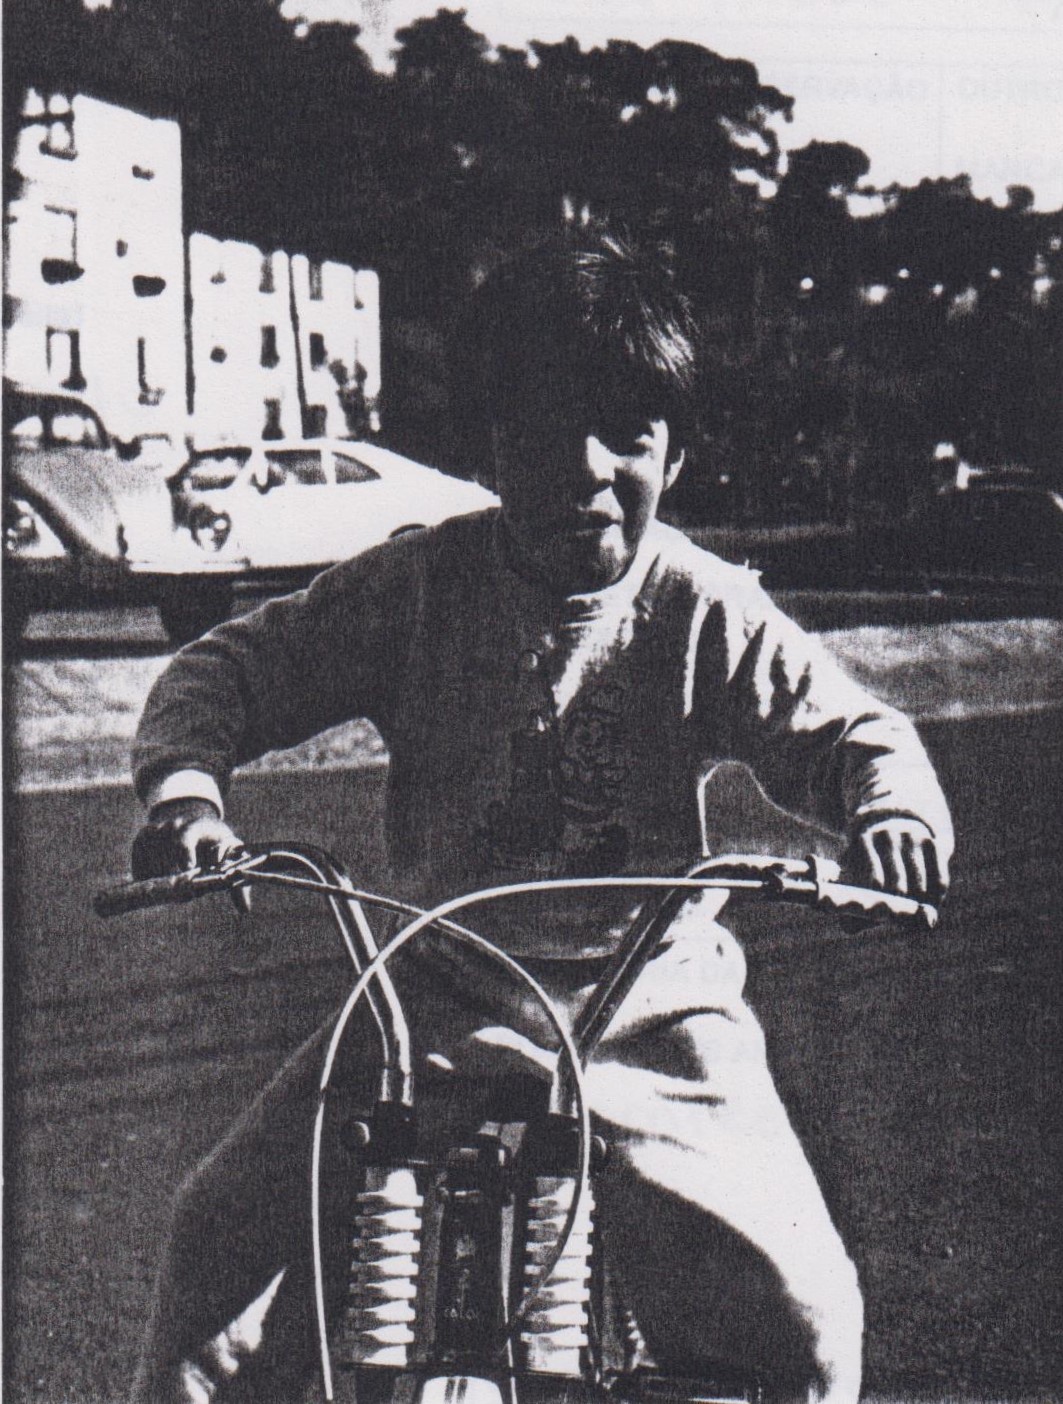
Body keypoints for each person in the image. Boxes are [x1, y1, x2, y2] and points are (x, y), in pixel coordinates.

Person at [129, 230, 953, 1404]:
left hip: (650, 1008)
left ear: (678, 446)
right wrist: (187, 794)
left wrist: (890, 818)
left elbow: (848, 733)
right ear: (486, 445)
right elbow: (223, 676)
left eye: (626, 431)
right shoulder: (416, 585)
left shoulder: (704, 607)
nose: (584, 467)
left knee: (806, 1322)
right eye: (538, 429)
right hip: (434, 987)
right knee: (213, 1260)